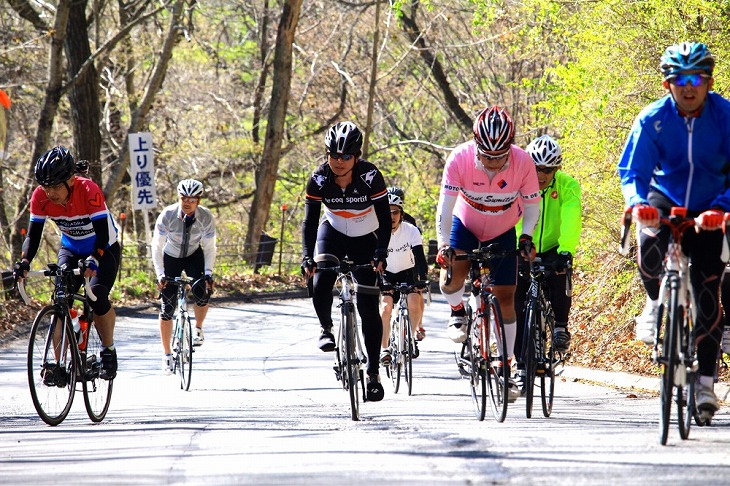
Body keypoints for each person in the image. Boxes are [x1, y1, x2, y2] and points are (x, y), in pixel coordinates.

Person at [617, 41, 730, 416]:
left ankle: (704, 384)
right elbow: (633, 171)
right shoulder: (653, 118)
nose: (688, 86)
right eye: (679, 78)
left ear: (709, 82)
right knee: (649, 251)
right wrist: (638, 205)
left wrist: (722, 209)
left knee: (708, 291)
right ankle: (656, 301)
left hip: (713, 203)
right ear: (667, 84)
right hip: (664, 195)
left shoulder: (725, 116)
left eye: (696, 77)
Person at [435, 105, 541, 401]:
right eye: (487, 155)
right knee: (453, 275)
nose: (493, 162)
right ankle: (457, 311)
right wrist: (444, 244)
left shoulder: (523, 162)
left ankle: (506, 366)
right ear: (476, 145)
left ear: (510, 147)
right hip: (466, 221)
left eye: (499, 156)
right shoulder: (459, 158)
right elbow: (444, 207)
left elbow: (532, 206)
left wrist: (527, 237)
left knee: (506, 296)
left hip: (503, 226)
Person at [301, 121, 391, 402]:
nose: (339, 162)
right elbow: (310, 222)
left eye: (346, 156)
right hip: (335, 232)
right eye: (334, 155)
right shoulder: (318, 179)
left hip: (367, 236)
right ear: (327, 154)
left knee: (367, 307)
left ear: (357, 156)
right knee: (322, 274)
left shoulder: (370, 175)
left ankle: (373, 373)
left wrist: (381, 252)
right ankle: (326, 328)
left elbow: (386, 219)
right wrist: (306, 255)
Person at [14, 146, 121, 380]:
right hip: (71, 249)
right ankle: (57, 363)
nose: (49, 193)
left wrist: (94, 258)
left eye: (54, 187)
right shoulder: (40, 197)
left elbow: (103, 233)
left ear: (71, 180)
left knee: (97, 296)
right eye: (45, 186)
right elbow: (33, 236)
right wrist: (24, 261)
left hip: (103, 248)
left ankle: (108, 349)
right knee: (61, 299)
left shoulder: (88, 190)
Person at [515, 134, 582, 359]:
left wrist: (566, 250)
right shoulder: (518, 185)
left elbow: (571, 218)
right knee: (516, 291)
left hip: (554, 244)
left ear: (556, 169)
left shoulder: (567, 185)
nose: (541, 175)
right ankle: (521, 358)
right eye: (536, 169)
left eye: (547, 170)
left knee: (560, 275)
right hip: (525, 244)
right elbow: (512, 217)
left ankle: (561, 327)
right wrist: (519, 244)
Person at [152, 179, 217, 374]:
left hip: (193, 255)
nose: (187, 202)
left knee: (202, 292)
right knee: (167, 308)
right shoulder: (167, 215)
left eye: (192, 199)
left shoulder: (205, 217)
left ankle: (197, 328)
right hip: (170, 256)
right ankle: (166, 355)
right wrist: (160, 274)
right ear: (178, 197)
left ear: (198, 200)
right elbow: (156, 246)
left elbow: (210, 247)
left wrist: (208, 273)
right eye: (183, 198)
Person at [379, 187, 429, 366]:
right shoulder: (376, 230)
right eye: (388, 212)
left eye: (395, 212)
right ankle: (384, 349)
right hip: (386, 272)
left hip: (407, 271)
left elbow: (420, 257)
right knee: (385, 308)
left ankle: (411, 337)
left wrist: (422, 277)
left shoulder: (411, 230)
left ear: (401, 214)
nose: (391, 216)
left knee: (415, 304)